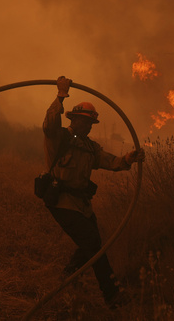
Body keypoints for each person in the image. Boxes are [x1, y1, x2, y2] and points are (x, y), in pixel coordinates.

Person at [42, 76, 144, 309]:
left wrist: (129, 158)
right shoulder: (58, 138)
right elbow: (49, 123)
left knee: (92, 242)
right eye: (86, 122)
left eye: (91, 123)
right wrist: (61, 96)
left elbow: (113, 162)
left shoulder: (90, 147)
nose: (89, 126)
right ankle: (113, 295)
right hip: (60, 202)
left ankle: (68, 274)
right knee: (93, 244)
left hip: (82, 205)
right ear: (75, 120)